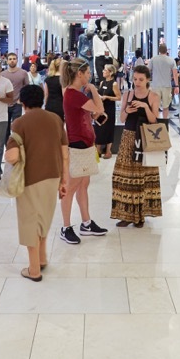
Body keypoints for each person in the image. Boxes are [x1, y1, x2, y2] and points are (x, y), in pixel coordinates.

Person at [6, 85, 68, 281]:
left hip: (31, 178)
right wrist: (64, 180)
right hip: (54, 175)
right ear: (42, 99)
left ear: (23, 103)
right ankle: (42, 258)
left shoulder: (19, 123)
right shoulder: (56, 119)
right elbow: (65, 153)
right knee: (43, 218)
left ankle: (34, 270)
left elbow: (13, 156)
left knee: (30, 221)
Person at [59, 60, 108, 244]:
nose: (89, 75)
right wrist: (94, 90)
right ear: (79, 74)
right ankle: (65, 227)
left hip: (85, 142)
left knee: (83, 184)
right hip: (77, 143)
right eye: (87, 73)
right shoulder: (73, 94)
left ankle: (86, 222)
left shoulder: (76, 94)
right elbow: (99, 109)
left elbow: (92, 113)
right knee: (71, 187)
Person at [111, 65, 163, 228]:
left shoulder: (153, 96)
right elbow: (122, 118)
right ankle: (125, 214)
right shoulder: (127, 94)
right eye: (135, 79)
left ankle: (140, 215)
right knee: (125, 175)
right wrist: (127, 109)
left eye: (141, 79)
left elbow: (154, 120)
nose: (137, 82)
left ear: (148, 79)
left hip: (146, 138)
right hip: (128, 136)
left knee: (143, 176)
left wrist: (145, 107)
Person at [95, 61, 121, 158]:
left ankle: (108, 151)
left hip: (109, 109)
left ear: (110, 72)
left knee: (108, 128)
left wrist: (107, 97)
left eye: (105, 70)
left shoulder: (114, 84)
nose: (103, 71)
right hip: (101, 108)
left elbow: (119, 97)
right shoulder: (102, 82)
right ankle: (98, 150)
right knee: (99, 127)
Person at [148, 43, 178, 116]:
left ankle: (156, 121)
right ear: (166, 50)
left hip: (155, 85)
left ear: (159, 50)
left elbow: (148, 70)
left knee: (155, 106)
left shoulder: (153, 59)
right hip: (166, 86)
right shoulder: (171, 60)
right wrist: (176, 86)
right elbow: (175, 74)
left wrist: (147, 82)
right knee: (166, 107)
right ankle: (165, 121)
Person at [2, 53, 31, 126]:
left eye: (14, 59)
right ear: (7, 61)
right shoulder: (2, 74)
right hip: (5, 104)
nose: (12, 61)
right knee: (5, 128)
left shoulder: (23, 73)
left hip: (17, 103)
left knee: (16, 127)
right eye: (10, 59)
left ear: (17, 60)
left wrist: (21, 99)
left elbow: (27, 88)